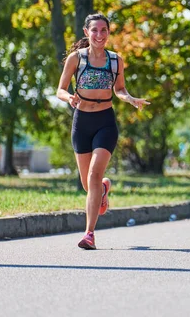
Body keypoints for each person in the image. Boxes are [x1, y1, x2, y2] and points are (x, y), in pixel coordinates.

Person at [57, 13, 150, 250]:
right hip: (82, 122)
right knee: (90, 185)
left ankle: (89, 233)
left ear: (108, 33)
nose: (99, 35)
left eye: (103, 30)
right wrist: (69, 97)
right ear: (87, 33)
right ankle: (104, 190)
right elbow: (60, 89)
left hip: (105, 122)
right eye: (94, 30)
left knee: (94, 176)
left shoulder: (115, 60)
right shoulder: (76, 59)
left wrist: (129, 99)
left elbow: (119, 89)